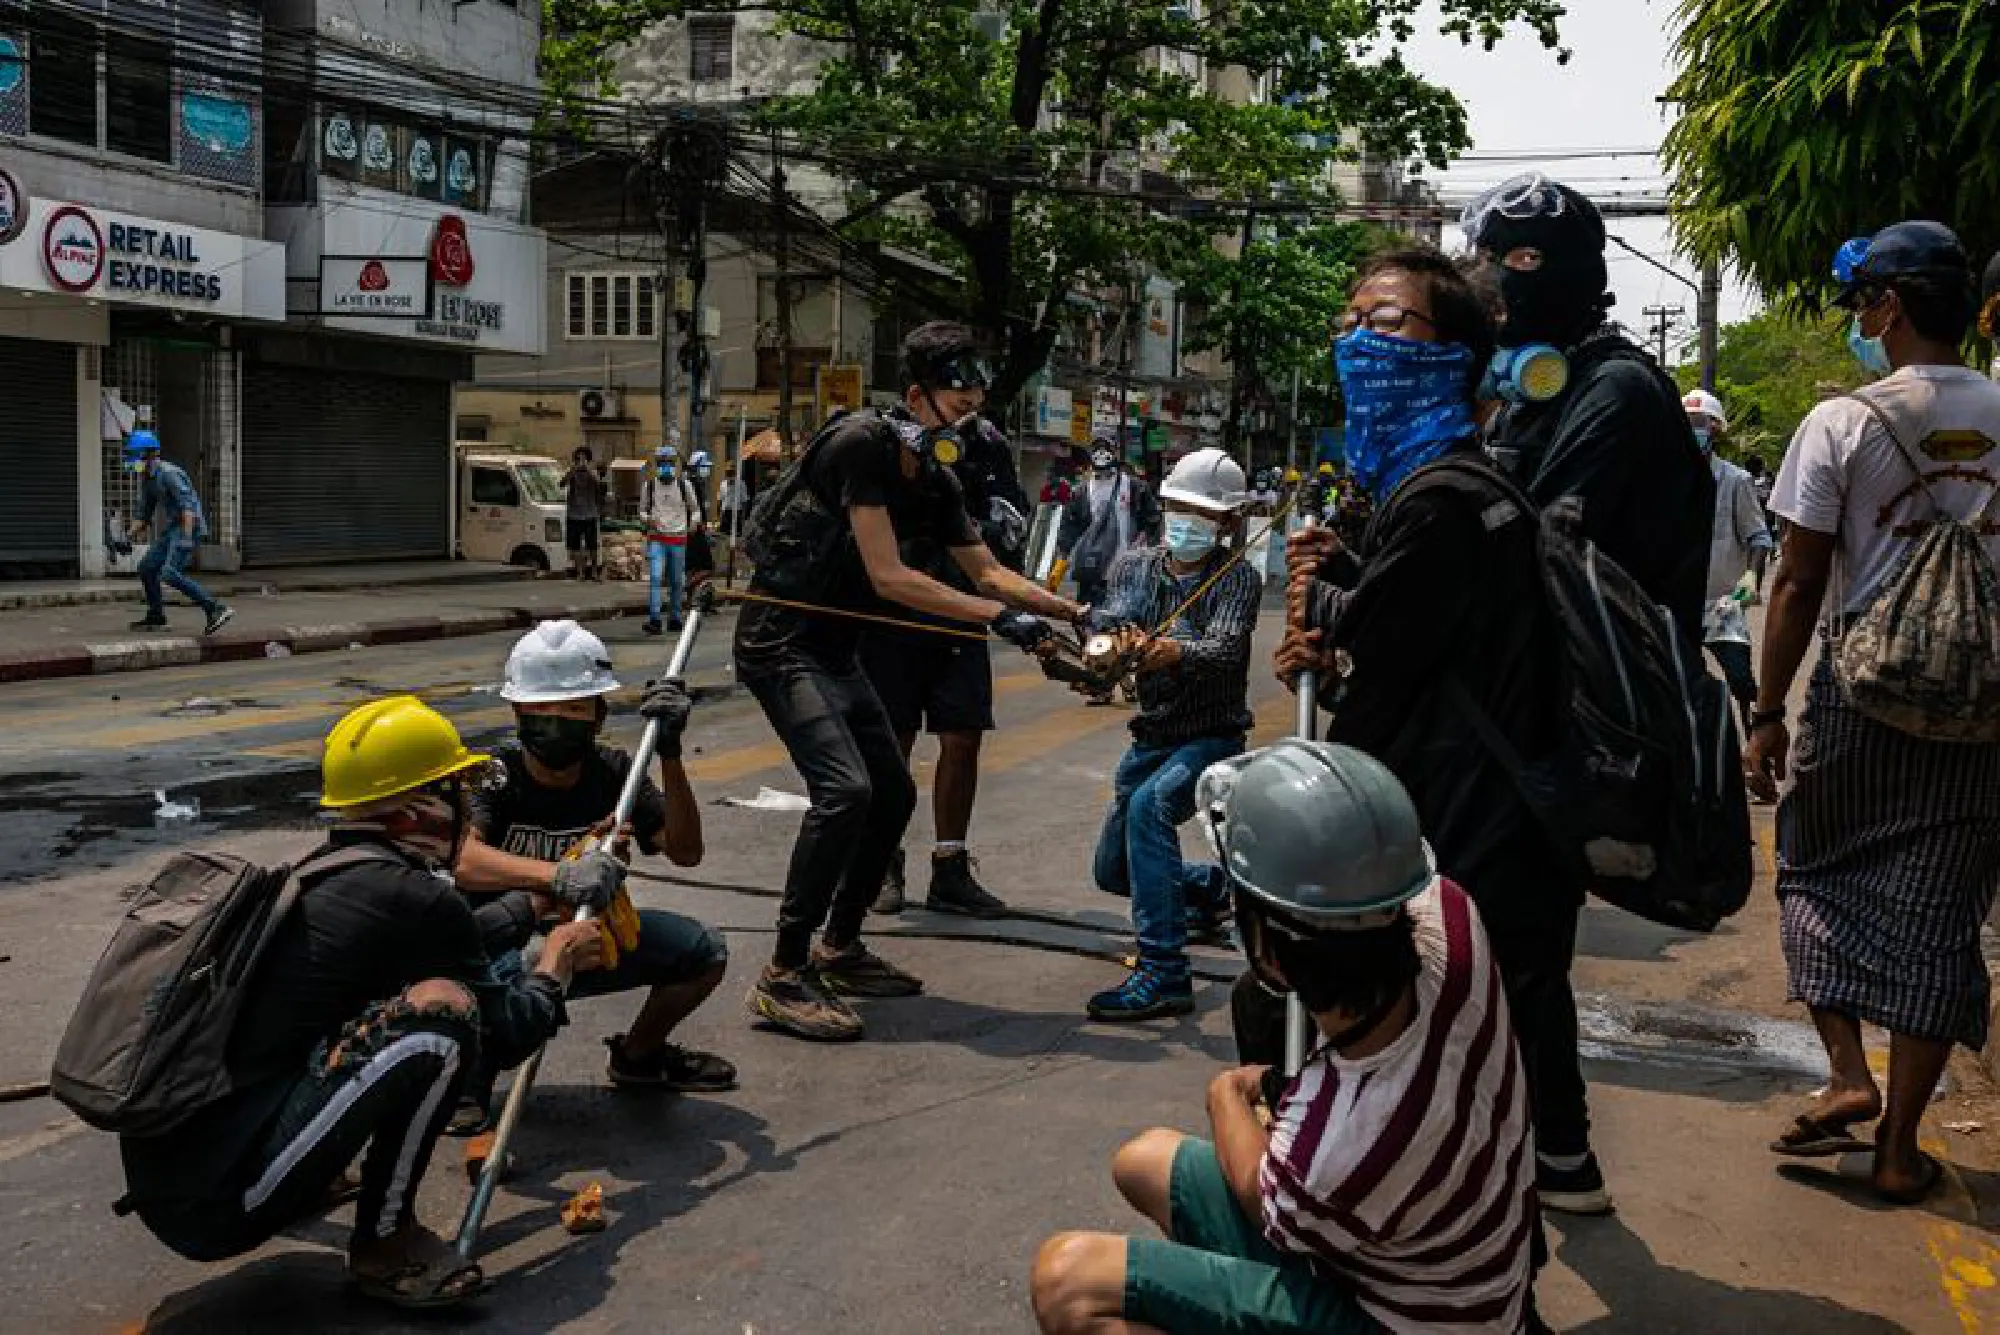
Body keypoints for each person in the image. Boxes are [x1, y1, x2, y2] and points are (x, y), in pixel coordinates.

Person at [1272, 246, 1598, 1215]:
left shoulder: (1447, 500)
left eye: (1383, 324)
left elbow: (1384, 659)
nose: (1355, 345)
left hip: (1475, 828)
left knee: (1450, 1046)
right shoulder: (1445, 489)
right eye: (1348, 325)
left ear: (1450, 355)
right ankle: (1550, 1174)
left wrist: (1322, 630)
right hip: (1496, 820)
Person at [1031, 741, 1537, 1335]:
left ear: (1268, 954)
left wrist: (1227, 1092)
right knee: (1143, 1159)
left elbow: (1257, 1190)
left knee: (1065, 1280)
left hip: (1408, 1320)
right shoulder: (1452, 918)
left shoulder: (1340, 1142)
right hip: (1459, 1261)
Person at [116, 696, 597, 1309]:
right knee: (440, 1027)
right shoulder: (411, 897)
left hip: (181, 1184)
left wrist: (531, 904)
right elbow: (509, 1032)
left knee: (406, 1004)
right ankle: (386, 1243)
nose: (467, 810)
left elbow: (438, 938)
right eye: (455, 792)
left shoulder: (334, 874)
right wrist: (555, 965)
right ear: (415, 810)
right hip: (221, 1208)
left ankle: (308, 1171)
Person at [732, 321, 1085, 1041]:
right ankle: (784, 971)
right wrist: (1000, 621)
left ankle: (841, 946)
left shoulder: (940, 479)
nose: (967, 413)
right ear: (917, 393)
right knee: (846, 791)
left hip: (834, 650)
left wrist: (1071, 609)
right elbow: (891, 578)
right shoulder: (862, 445)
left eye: (974, 402)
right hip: (782, 642)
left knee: (891, 791)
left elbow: (988, 570)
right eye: (955, 400)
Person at [1748, 221, 2000, 1207]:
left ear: (1889, 306)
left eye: (1861, 306)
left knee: (1810, 867)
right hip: (1983, 708)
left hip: (1859, 694)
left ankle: (1845, 1071)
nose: (1859, 323)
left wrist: (1763, 710)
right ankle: (1896, 1147)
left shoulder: (1842, 423)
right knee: (1941, 914)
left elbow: (1796, 582)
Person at [454, 619, 735, 1095]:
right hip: (499, 951)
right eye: (541, 710)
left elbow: (686, 852)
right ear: (518, 714)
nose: (555, 723)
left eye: (574, 709)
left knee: (701, 951)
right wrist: (562, 876)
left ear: (600, 717)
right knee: (492, 975)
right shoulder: (493, 776)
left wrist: (669, 753)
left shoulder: (615, 776)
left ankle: (639, 1057)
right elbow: (464, 860)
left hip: (587, 937)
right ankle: (467, 1080)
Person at [1464, 173, 1713, 643]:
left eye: (1524, 259)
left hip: (1618, 696)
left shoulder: (1616, 389)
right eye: (1489, 261)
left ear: (1573, 273)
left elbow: (1526, 553)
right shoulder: (1543, 392)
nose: (1495, 281)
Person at [1084, 447, 1260, 1021]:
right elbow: (1109, 620)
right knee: (1114, 871)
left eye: (1199, 513)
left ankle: (1164, 972)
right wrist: (1100, 646)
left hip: (1211, 738)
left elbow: (1226, 652)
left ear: (1228, 523)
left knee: (1149, 811)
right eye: (1175, 507)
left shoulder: (1238, 578)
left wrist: (1170, 651)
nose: (1183, 520)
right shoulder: (1135, 565)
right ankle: (1216, 892)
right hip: (1150, 737)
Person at [861, 412, 1034, 919]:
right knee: (893, 742)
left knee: (963, 737)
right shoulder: (885, 437)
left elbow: (1010, 518)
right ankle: (880, 863)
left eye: (973, 389)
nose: (965, 398)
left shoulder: (988, 442)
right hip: (895, 611)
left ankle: (950, 865)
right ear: (918, 392)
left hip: (964, 610)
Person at [1685, 389, 1774, 729]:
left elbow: (1759, 538)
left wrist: (1751, 577)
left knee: (1741, 681)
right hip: (1679, 602)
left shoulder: (1736, 481)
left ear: (1715, 429)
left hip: (1723, 602)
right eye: (1686, 423)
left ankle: (1754, 741)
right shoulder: (1664, 481)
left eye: (1699, 423)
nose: (1692, 430)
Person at [124, 429, 232, 636]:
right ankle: (156, 616)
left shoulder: (169, 474)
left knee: (170, 573)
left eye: (135, 456)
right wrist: (127, 537)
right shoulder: (148, 480)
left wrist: (185, 538)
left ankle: (216, 608)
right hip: (175, 527)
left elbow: (188, 507)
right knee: (147, 568)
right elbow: (143, 515)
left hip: (188, 525)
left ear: (149, 454)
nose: (132, 461)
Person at [1057, 440, 1159, 607]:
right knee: (1087, 619)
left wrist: (1143, 545)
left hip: (1125, 570)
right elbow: (1070, 526)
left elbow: (1152, 518)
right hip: (1091, 571)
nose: (1101, 453)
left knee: (1122, 622)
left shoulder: (1134, 486)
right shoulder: (1082, 490)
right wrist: (1062, 557)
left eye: (1106, 448)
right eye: (1097, 449)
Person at [641, 441, 704, 635]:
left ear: (675, 464)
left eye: (669, 462)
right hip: (657, 539)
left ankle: (675, 617)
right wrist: (648, 519)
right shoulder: (649, 486)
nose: (665, 466)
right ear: (657, 465)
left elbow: (695, 510)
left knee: (677, 581)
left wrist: (694, 523)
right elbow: (642, 511)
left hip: (678, 539)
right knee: (656, 578)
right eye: (661, 462)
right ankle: (655, 619)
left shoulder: (685, 486)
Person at [562, 446, 609, 581]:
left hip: (590, 513)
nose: (580, 461)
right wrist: (573, 469)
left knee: (592, 545)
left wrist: (588, 469)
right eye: (578, 458)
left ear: (588, 459)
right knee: (575, 546)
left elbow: (600, 485)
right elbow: (562, 483)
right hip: (574, 513)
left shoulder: (592, 472)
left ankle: (594, 572)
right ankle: (580, 572)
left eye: (583, 458)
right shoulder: (571, 472)